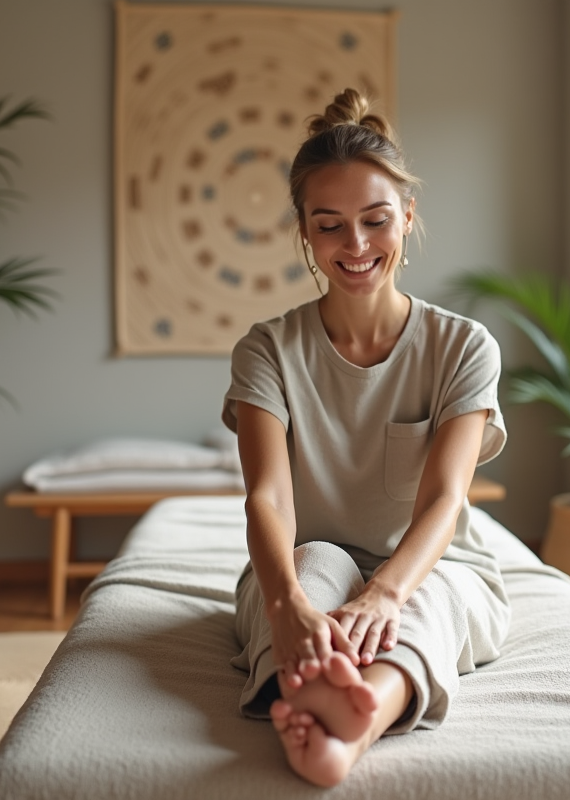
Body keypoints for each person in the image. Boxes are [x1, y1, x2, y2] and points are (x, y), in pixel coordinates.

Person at [221, 88, 510, 787]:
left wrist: (385, 593)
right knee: (314, 564)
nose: (355, 246)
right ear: (305, 233)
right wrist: (288, 603)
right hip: (306, 561)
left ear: (407, 219)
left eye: (375, 221)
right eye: (330, 226)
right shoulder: (267, 350)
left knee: (426, 597)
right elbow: (267, 497)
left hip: (433, 565)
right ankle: (329, 703)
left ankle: (356, 717)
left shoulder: (464, 346)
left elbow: (444, 500)